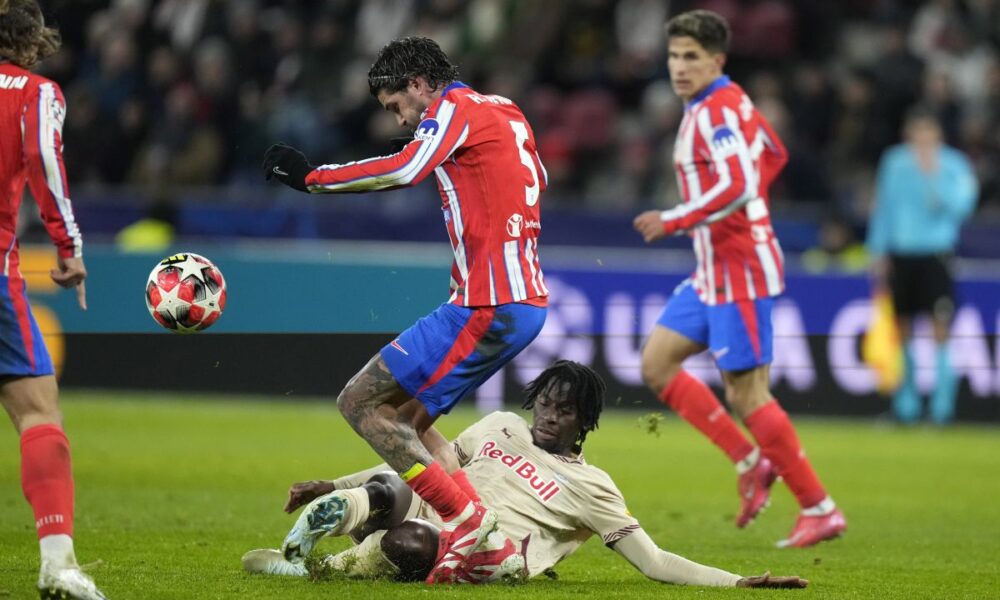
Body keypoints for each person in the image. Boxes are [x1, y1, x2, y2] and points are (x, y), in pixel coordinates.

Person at [261, 36, 548, 583]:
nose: (400, 118)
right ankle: (493, 552)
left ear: (419, 84)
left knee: (360, 402)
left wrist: (311, 179)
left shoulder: (454, 109)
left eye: (397, 105)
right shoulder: (505, 110)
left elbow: (404, 168)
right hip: (520, 300)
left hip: (486, 302)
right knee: (409, 425)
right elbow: (531, 180)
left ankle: (470, 524)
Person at [242, 361, 808, 589]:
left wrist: (737, 583)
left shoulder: (594, 487)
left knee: (412, 540)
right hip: (440, 506)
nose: (548, 415)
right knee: (395, 480)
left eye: (564, 411)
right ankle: (314, 535)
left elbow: (654, 562)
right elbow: (426, 465)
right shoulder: (500, 426)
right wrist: (331, 485)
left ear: (584, 424)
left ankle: (320, 571)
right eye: (544, 403)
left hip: (486, 552)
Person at [632, 10, 846, 548]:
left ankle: (819, 507)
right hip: (713, 269)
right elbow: (774, 153)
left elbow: (739, 181)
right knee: (657, 363)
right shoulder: (724, 102)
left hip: (740, 269)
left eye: (692, 58)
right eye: (674, 56)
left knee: (748, 395)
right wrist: (745, 211)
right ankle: (752, 462)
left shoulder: (715, 111)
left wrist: (677, 218)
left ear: (717, 61)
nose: (679, 68)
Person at [0, 1, 106, 599]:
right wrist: (69, 247)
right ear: (34, 40)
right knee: (38, 413)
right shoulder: (36, 93)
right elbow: (43, 159)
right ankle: (58, 565)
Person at [866, 106, 978, 424]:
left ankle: (942, 409)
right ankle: (907, 406)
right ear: (909, 134)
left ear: (938, 135)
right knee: (902, 330)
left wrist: (933, 176)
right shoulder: (894, 162)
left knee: (940, 328)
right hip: (902, 256)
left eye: (929, 132)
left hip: (936, 255)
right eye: (917, 132)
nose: (923, 139)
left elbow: (962, 207)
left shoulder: (954, 164)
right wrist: (878, 250)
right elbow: (883, 208)